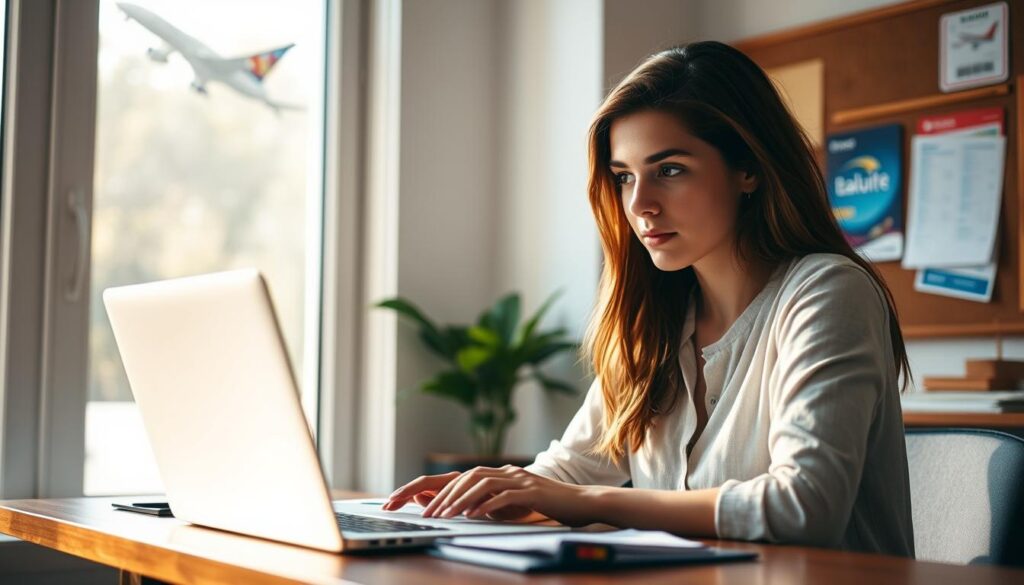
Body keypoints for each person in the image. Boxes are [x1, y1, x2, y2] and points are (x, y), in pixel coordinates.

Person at [383, 41, 915, 557]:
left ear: (748, 169)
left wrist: (591, 502)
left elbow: (804, 508)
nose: (640, 204)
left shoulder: (828, 291)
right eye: (624, 177)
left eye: (669, 170)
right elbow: (565, 477)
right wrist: (475, 496)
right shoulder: (657, 321)